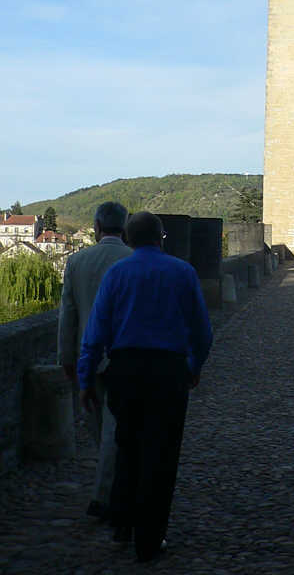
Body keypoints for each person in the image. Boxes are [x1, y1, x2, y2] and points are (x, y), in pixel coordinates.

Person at [77, 211, 213, 563]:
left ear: (129, 237)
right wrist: (193, 367)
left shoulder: (116, 273)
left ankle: (123, 525)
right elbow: (202, 331)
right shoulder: (183, 272)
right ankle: (150, 540)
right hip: (168, 373)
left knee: (127, 445)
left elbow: (95, 334)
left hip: (125, 370)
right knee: (161, 454)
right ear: (162, 237)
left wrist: (85, 378)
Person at [58, 201, 132, 521]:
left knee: (99, 428)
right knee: (116, 430)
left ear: (97, 227)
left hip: (87, 358)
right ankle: (112, 491)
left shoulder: (76, 262)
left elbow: (68, 316)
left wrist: (66, 358)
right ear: (124, 228)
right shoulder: (134, 260)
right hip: (124, 358)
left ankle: (104, 495)